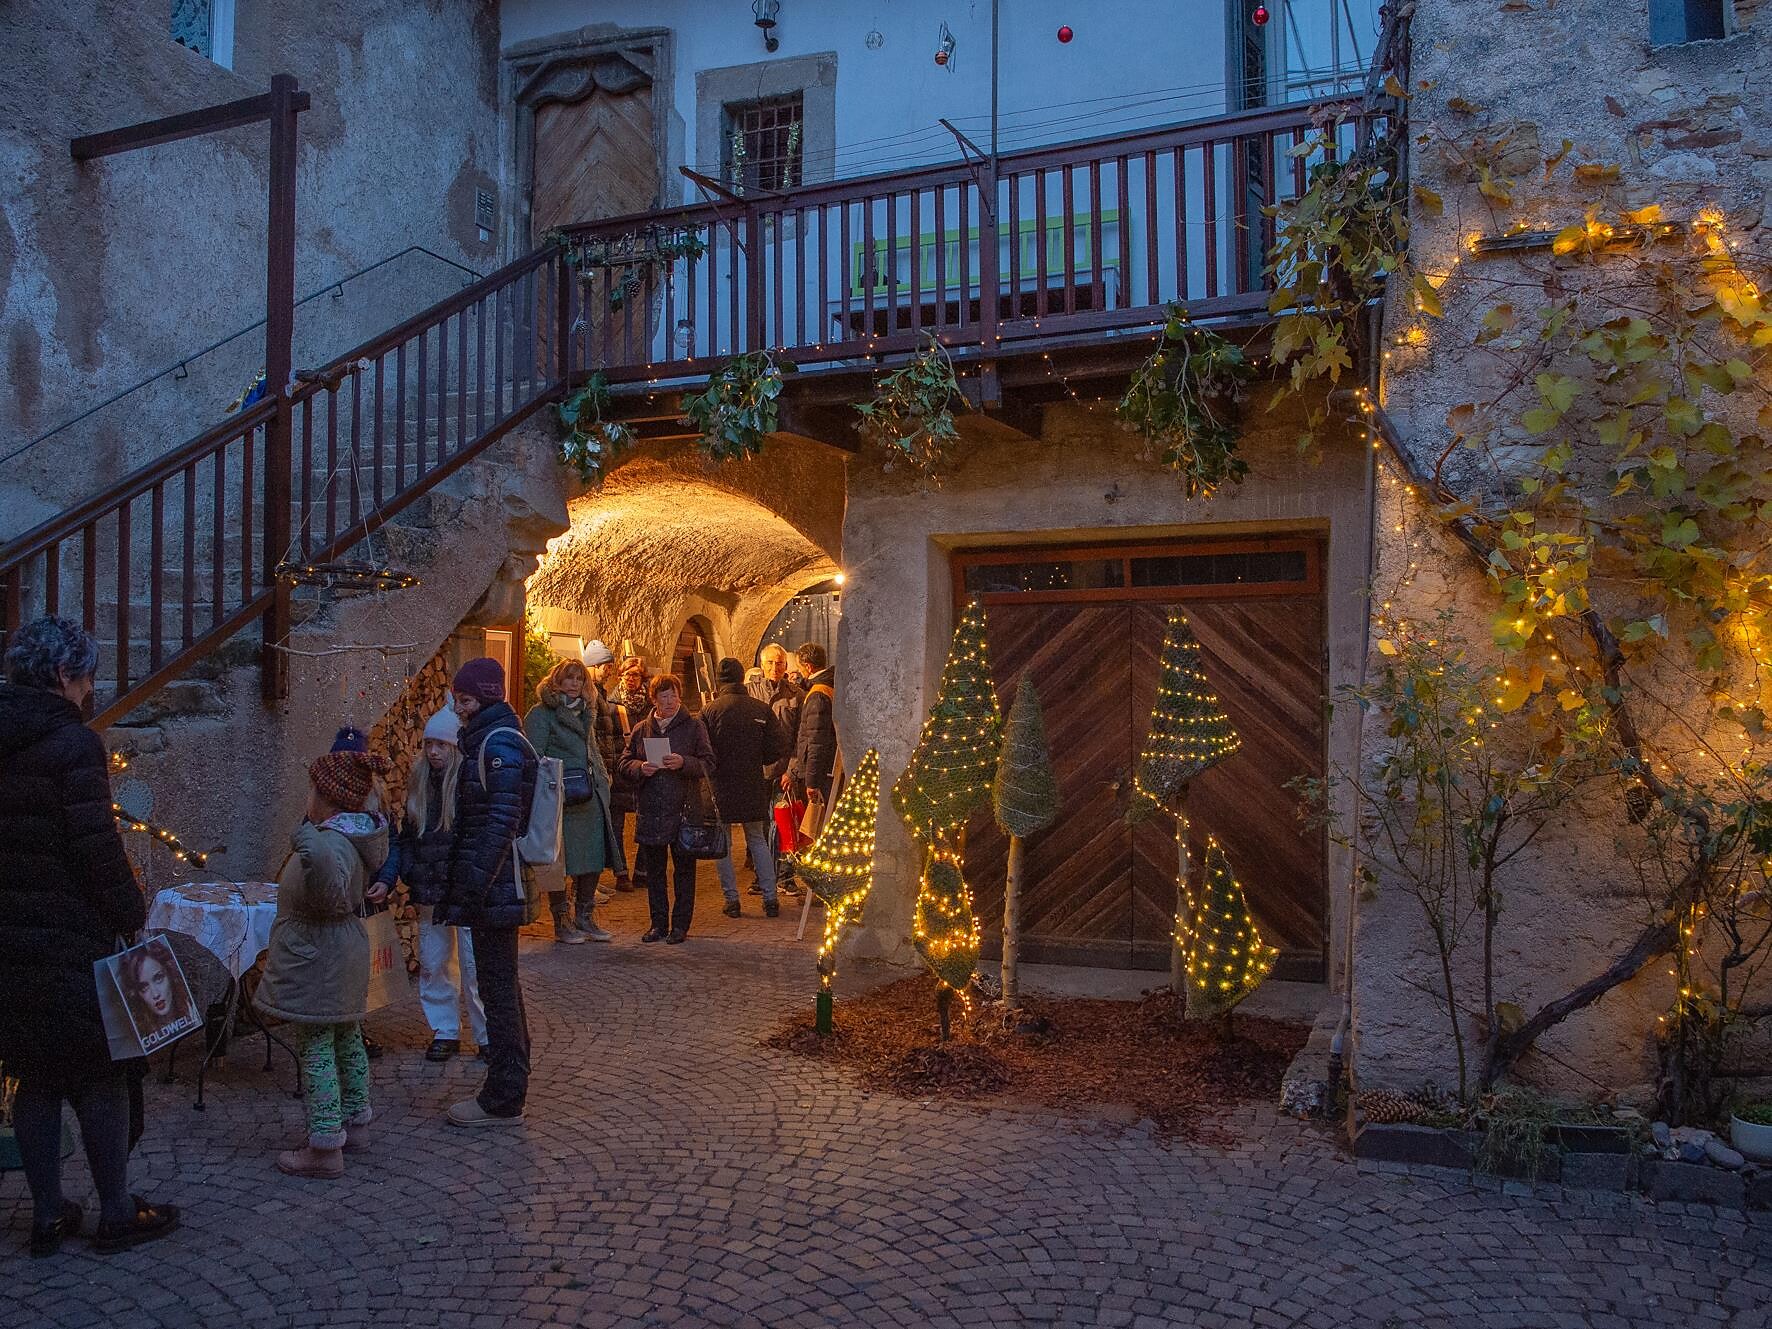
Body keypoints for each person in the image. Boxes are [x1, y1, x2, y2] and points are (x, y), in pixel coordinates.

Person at [0, 616, 178, 1255]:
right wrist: (131, 909)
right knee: (100, 1075)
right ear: (61, 675)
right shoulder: (72, 745)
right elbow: (95, 847)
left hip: (10, 942)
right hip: (72, 939)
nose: (88, 690)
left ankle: (48, 1214)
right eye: (84, 678)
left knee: (35, 1075)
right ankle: (117, 1212)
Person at [256, 748, 391, 1180]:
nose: (306, 796)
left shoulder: (328, 841)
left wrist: (307, 843)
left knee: (316, 1046)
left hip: (319, 957)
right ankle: (356, 1124)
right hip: (339, 952)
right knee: (346, 1039)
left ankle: (325, 1144)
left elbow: (330, 893)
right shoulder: (349, 836)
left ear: (328, 796)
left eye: (311, 788)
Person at [436, 657, 535, 1127]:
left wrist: (474, 883)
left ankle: (503, 1097)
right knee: (499, 985)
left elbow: (501, 820)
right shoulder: (489, 739)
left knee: (497, 989)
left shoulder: (499, 743)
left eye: (464, 699)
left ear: (484, 698)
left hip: (495, 886)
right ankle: (507, 1087)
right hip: (492, 884)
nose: (458, 708)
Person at [373, 706, 487, 1063]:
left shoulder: (467, 782)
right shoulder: (420, 784)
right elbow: (409, 834)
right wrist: (410, 869)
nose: (434, 752)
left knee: (473, 964)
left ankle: (486, 1035)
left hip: (463, 888)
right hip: (429, 887)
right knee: (434, 961)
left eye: (441, 745)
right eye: (429, 744)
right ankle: (445, 1029)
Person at [525, 659, 621, 944]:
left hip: (589, 796)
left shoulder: (586, 711)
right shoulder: (542, 714)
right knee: (560, 862)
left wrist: (602, 779)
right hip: (561, 800)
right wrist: (556, 783)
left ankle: (585, 916)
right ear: (557, 681)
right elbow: (535, 756)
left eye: (579, 679)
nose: (574, 684)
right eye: (569, 678)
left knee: (592, 857)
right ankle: (561, 921)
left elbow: (592, 749)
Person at [620, 673, 716, 945]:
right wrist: (640, 767)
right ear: (654, 699)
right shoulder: (642, 729)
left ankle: (680, 925)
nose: (670, 701)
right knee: (655, 872)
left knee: (684, 870)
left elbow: (709, 763)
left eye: (674, 695)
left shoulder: (694, 727)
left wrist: (684, 763)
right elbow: (624, 762)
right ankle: (658, 923)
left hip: (684, 809)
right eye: (664, 696)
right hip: (652, 809)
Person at [702, 658, 790, 919]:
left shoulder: (709, 711)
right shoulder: (760, 708)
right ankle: (770, 898)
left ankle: (732, 900)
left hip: (721, 783)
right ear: (742, 678)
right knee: (757, 839)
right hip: (752, 781)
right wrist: (758, 759)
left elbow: (703, 749)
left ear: (719, 681)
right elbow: (778, 746)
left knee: (724, 843)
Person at [582, 639, 631, 895]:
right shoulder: (588, 694)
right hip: (594, 768)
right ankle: (585, 887)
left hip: (603, 768)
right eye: (605, 666)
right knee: (592, 827)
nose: (608, 671)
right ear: (593, 666)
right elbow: (595, 735)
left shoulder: (599, 692)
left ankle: (593, 881)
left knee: (601, 826)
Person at [612, 655, 653, 891]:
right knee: (616, 825)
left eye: (635, 675)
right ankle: (621, 873)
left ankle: (642, 871)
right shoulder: (612, 705)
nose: (630, 679)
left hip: (644, 772)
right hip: (620, 771)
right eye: (627, 674)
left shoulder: (650, 706)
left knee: (646, 821)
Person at [788, 642, 839, 825]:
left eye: (800, 667)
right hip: (830, 768)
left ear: (808, 667)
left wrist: (812, 781)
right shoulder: (830, 685)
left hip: (823, 772)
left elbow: (816, 741)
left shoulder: (818, 695)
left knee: (820, 823)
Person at [117, 940, 197, 1049]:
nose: (155, 994)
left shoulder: (193, 1010)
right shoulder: (140, 1038)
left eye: (158, 978)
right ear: (137, 994)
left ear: (170, 975)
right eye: (143, 987)